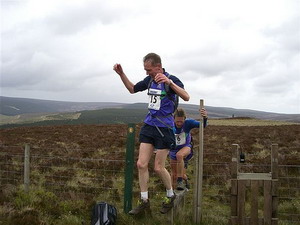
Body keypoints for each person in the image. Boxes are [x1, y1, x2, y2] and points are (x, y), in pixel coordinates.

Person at [113, 53, 190, 215]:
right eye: (145, 70)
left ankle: (170, 195)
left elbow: (186, 96)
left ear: (158, 67)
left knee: (158, 167)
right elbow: (132, 89)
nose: (147, 73)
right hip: (149, 125)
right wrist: (121, 74)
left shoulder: (172, 79)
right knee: (141, 164)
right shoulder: (149, 80)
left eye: (149, 70)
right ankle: (144, 201)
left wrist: (169, 83)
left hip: (165, 128)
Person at [169, 108, 208, 190]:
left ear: (185, 119)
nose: (179, 123)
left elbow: (202, 125)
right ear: (173, 119)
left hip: (185, 147)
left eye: (181, 121)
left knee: (179, 155)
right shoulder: (169, 124)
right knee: (174, 174)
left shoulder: (188, 123)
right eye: (177, 121)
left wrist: (205, 118)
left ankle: (180, 181)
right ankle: (173, 192)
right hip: (173, 149)